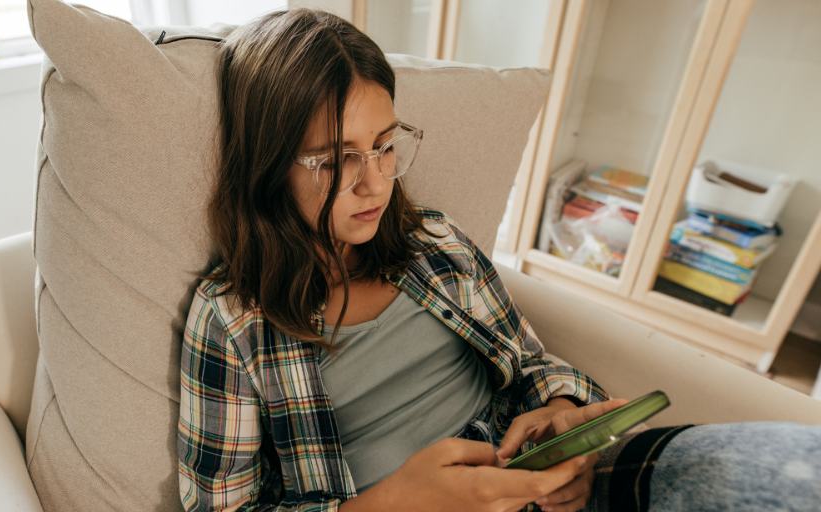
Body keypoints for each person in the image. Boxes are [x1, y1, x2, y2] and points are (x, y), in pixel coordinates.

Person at [177, 7, 821, 512]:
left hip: (544, 491)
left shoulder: (434, 242)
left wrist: (562, 420)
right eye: (336, 158)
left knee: (799, 476)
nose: (376, 183)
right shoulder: (234, 317)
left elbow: (533, 365)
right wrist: (390, 505)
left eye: (384, 145)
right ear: (267, 164)